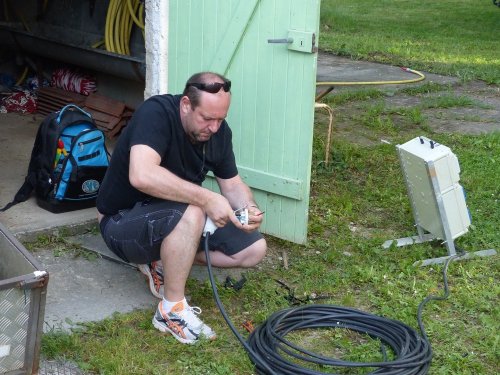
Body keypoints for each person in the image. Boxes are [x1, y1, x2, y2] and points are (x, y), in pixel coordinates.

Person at [96, 72, 267, 344]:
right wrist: (207, 198)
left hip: (174, 217)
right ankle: (170, 310)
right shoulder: (157, 113)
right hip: (121, 222)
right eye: (207, 119)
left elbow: (232, 184)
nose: (214, 127)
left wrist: (249, 208)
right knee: (194, 210)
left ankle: (164, 260)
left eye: (220, 119)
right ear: (186, 104)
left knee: (253, 249)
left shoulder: (219, 133)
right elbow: (141, 174)